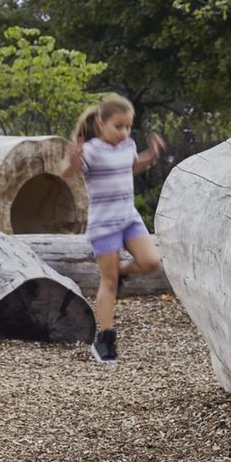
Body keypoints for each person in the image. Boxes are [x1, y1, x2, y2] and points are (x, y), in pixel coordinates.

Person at [61, 93, 165, 364]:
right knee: (108, 283)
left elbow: (128, 169)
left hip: (129, 218)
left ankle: (120, 271)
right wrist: (73, 159)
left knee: (151, 262)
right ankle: (104, 340)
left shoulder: (127, 146)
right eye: (118, 126)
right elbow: (66, 174)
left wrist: (149, 156)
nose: (125, 132)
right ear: (101, 123)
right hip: (104, 224)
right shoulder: (92, 150)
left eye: (128, 126)